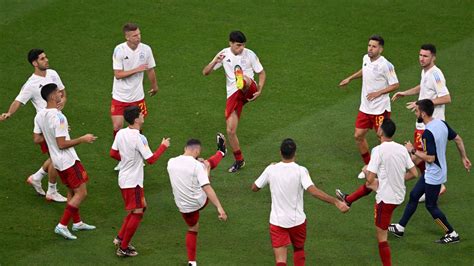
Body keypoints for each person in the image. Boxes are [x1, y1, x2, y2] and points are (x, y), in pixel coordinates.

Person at [252, 138, 349, 266]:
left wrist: (268, 170)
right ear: (295, 153)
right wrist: (336, 202)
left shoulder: (271, 170)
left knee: (280, 261)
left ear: (280, 152)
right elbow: (313, 191)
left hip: (277, 222)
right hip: (297, 222)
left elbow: (254, 187)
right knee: (298, 250)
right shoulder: (300, 170)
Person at [336, 119, 418, 266]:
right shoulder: (401, 148)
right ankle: (348, 199)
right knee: (375, 184)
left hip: (386, 200)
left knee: (382, 238)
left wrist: (365, 171)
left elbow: (369, 179)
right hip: (399, 195)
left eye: (379, 128)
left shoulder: (378, 151)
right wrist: (398, 179)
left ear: (381, 131)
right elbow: (414, 173)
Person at [389, 99, 471, 244]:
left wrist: (412, 150)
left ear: (423, 113)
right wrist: (463, 157)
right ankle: (400, 227)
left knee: (431, 206)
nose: (415, 113)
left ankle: (451, 233)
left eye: (417, 111)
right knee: (414, 195)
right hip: (434, 171)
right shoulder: (441, 123)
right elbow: (458, 139)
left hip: (434, 174)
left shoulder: (427, 133)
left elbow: (431, 158)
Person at [1, 48, 67, 202]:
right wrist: (9, 113)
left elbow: (63, 91)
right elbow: (19, 100)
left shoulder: (53, 74)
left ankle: (36, 178)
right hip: (45, 123)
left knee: (57, 155)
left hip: (57, 119)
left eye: (46, 57)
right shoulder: (31, 84)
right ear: (34, 63)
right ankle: (51, 190)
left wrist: (63, 101)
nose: (46, 60)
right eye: (42, 59)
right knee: (58, 156)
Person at [33, 83, 97, 240]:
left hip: (56, 162)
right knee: (81, 193)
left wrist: (53, 136)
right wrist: (83, 139)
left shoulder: (40, 115)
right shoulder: (59, 117)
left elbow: (37, 138)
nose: (61, 93)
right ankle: (61, 225)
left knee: (71, 191)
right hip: (68, 161)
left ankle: (77, 223)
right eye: (58, 92)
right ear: (53, 96)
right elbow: (62, 144)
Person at [392, 44, 451, 201]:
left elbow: (446, 98)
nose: (421, 58)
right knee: (419, 157)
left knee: (416, 157)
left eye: (425, 56)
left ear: (433, 57)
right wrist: (405, 93)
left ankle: (391, 183)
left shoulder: (436, 75)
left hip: (432, 126)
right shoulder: (425, 72)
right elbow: (423, 87)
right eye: (420, 55)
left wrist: (421, 104)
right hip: (422, 124)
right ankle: (437, 185)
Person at [110, 105, 170, 257]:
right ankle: (123, 248)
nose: (143, 115)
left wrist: (126, 160)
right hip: (133, 181)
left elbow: (113, 153)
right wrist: (163, 146)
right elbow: (151, 159)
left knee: (141, 207)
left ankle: (120, 238)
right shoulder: (139, 138)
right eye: (141, 114)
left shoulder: (121, 133)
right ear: (136, 119)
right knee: (137, 212)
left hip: (124, 179)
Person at [202, 30, 266, 173]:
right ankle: (239, 160)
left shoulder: (250, 55)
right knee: (230, 130)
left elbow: (261, 72)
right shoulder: (223, 54)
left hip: (249, 89)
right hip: (234, 95)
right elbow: (205, 72)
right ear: (230, 43)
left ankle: (241, 80)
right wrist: (214, 62)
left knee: (245, 80)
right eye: (238, 45)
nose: (241, 48)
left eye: (243, 45)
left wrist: (260, 89)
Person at [339, 35, 399, 179]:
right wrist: (350, 78)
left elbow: (395, 84)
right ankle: (370, 166)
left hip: (380, 109)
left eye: (374, 46)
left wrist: (378, 92)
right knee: (358, 136)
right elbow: (365, 70)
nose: (370, 49)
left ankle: (389, 166)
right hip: (365, 108)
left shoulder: (386, 65)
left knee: (382, 138)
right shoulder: (366, 58)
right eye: (369, 45)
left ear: (381, 49)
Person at [167, 134, 228, 266]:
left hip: (181, 205)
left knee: (193, 228)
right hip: (199, 202)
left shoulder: (171, 162)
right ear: (196, 151)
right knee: (207, 165)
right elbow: (206, 187)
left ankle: (192, 262)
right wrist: (219, 208)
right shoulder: (197, 166)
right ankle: (221, 152)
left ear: (185, 148)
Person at [111, 22, 159, 170]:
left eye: (139, 34)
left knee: (138, 126)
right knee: (117, 126)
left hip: (138, 96)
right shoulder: (119, 50)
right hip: (120, 96)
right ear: (127, 37)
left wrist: (154, 86)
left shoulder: (146, 49)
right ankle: (123, 158)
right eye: (134, 35)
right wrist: (136, 69)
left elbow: (150, 69)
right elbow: (118, 75)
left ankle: (139, 155)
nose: (138, 37)